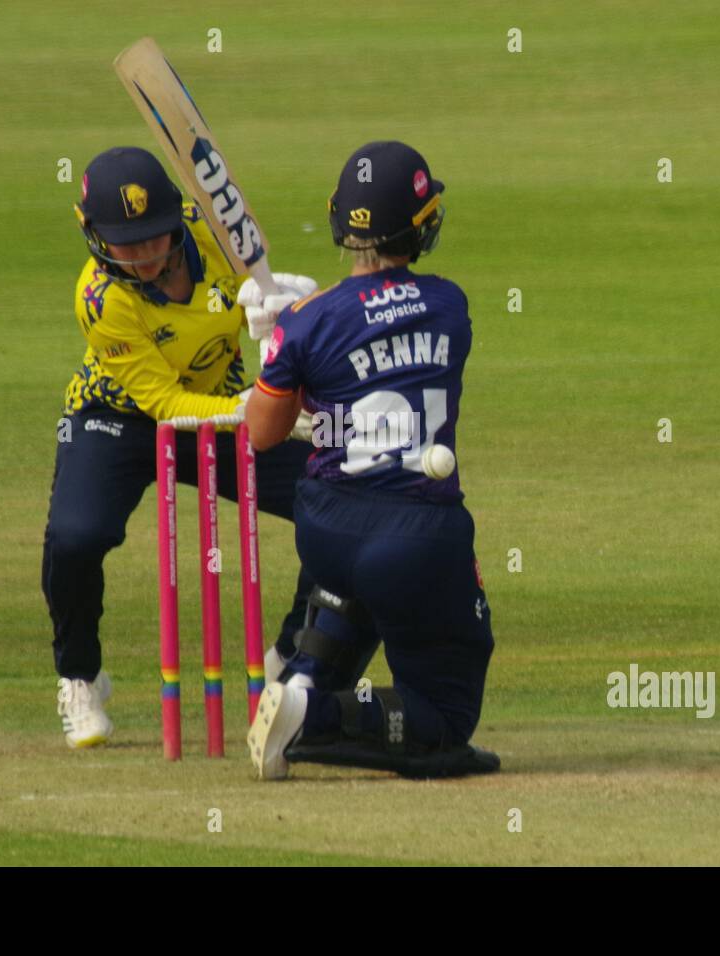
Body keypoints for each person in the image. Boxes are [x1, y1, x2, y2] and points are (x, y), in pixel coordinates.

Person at [42, 146, 319, 748]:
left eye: (153, 238)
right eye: (126, 244)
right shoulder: (99, 299)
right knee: (76, 538)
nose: (144, 257)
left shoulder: (218, 236)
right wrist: (254, 410)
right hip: (118, 417)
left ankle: (292, 657)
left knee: (334, 500)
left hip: (222, 408)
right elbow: (164, 404)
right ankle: (80, 676)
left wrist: (282, 317)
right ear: (92, 234)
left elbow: (272, 312)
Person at [243, 141, 499, 779]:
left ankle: (297, 686)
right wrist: (299, 327)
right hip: (417, 537)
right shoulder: (450, 304)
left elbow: (262, 434)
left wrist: (278, 346)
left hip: (326, 528)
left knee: (360, 586)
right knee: (444, 718)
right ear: (420, 228)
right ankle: (314, 718)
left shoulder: (306, 323)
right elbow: (381, 319)